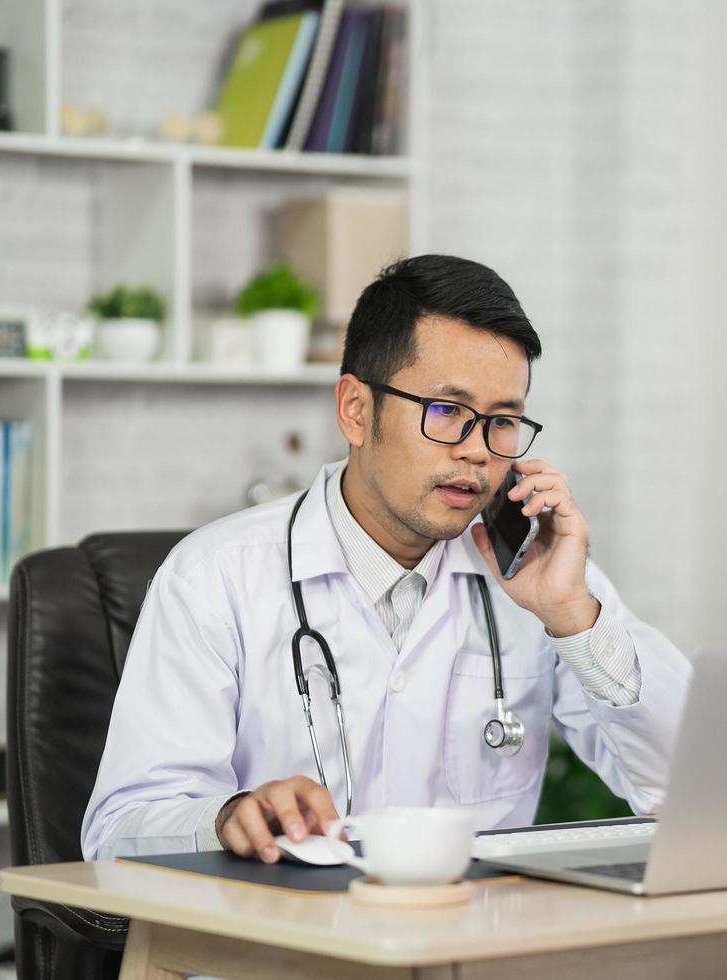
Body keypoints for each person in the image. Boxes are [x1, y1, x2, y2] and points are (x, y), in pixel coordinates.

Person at [81, 254, 692, 862]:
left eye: (502, 421)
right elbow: (117, 832)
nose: (479, 452)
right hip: (284, 946)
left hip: (477, 943)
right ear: (355, 409)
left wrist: (574, 615)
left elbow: (682, 788)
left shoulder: (538, 574)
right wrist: (226, 818)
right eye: (447, 411)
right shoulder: (214, 577)